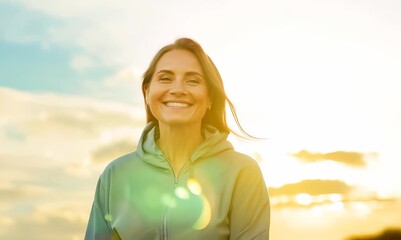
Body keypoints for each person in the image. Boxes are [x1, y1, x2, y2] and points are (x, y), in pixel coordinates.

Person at [84, 38, 270, 240]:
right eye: (165, 78)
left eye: (193, 81)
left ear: (209, 98)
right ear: (147, 92)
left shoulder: (242, 173)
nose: (178, 89)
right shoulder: (115, 175)